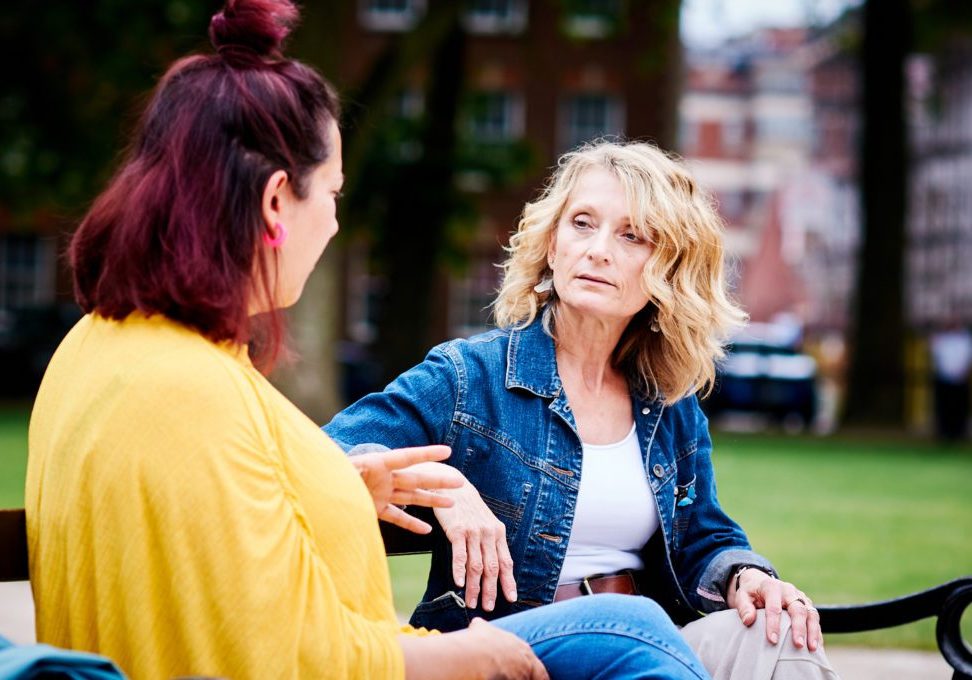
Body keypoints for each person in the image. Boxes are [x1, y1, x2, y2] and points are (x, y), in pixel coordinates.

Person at [25, 2, 708, 679]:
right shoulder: (189, 389)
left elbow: (223, 543)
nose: (331, 225)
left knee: (639, 631)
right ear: (274, 204)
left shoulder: (102, 349)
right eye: (332, 194)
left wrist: (342, 483)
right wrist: (461, 653)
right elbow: (283, 653)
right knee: (636, 629)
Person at [325, 142, 841, 679]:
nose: (597, 250)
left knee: (777, 634)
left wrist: (745, 577)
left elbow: (702, 535)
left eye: (631, 236)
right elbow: (321, 456)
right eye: (582, 223)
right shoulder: (468, 375)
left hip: (648, 646)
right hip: (514, 651)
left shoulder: (669, 401)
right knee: (629, 619)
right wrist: (443, 483)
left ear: (670, 268)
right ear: (552, 244)